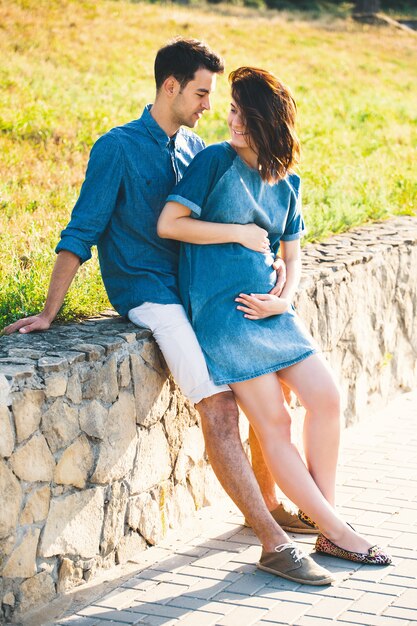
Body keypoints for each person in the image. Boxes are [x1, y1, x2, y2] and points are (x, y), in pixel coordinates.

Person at [3, 39, 334, 585]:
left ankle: (272, 505)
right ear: (171, 86)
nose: (210, 104)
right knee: (220, 406)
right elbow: (79, 233)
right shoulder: (117, 148)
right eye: (202, 93)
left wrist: (273, 266)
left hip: (197, 294)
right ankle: (273, 544)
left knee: (262, 384)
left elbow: (231, 220)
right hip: (151, 296)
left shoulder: (194, 149)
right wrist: (47, 313)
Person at [157, 66, 392, 568]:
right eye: (232, 108)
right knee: (276, 421)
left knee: (326, 398)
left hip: (273, 311)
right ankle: (338, 530)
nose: (232, 118)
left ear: (269, 119)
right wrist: (237, 234)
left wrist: (287, 296)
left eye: (243, 111)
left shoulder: (286, 180)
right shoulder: (215, 161)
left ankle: (326, 523)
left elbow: (293, 251)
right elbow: (170, 223)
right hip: (227, 313)